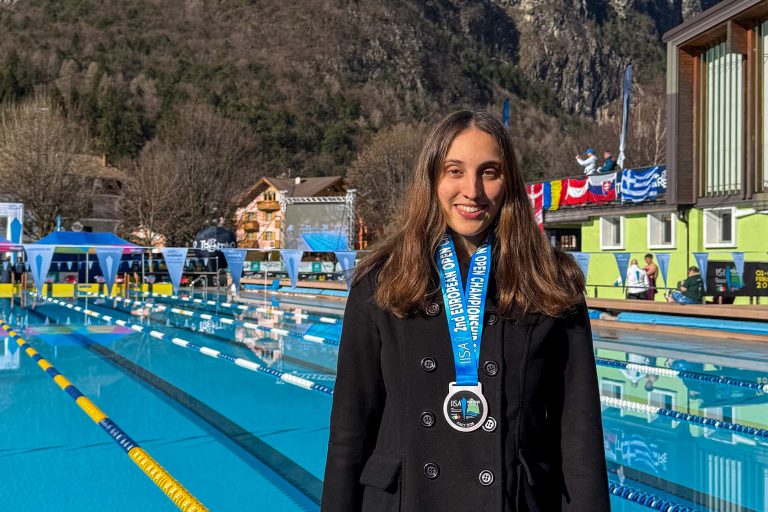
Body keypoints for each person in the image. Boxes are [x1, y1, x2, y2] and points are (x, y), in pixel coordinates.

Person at [323, 111, 609, 512]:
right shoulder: (381, 281)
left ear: (508, 181)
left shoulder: (551, 281)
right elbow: (350, 431)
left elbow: (579, 434)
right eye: (454, 170)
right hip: (407, 501)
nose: (471, 190)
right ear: (432, 179)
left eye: (489, 172)